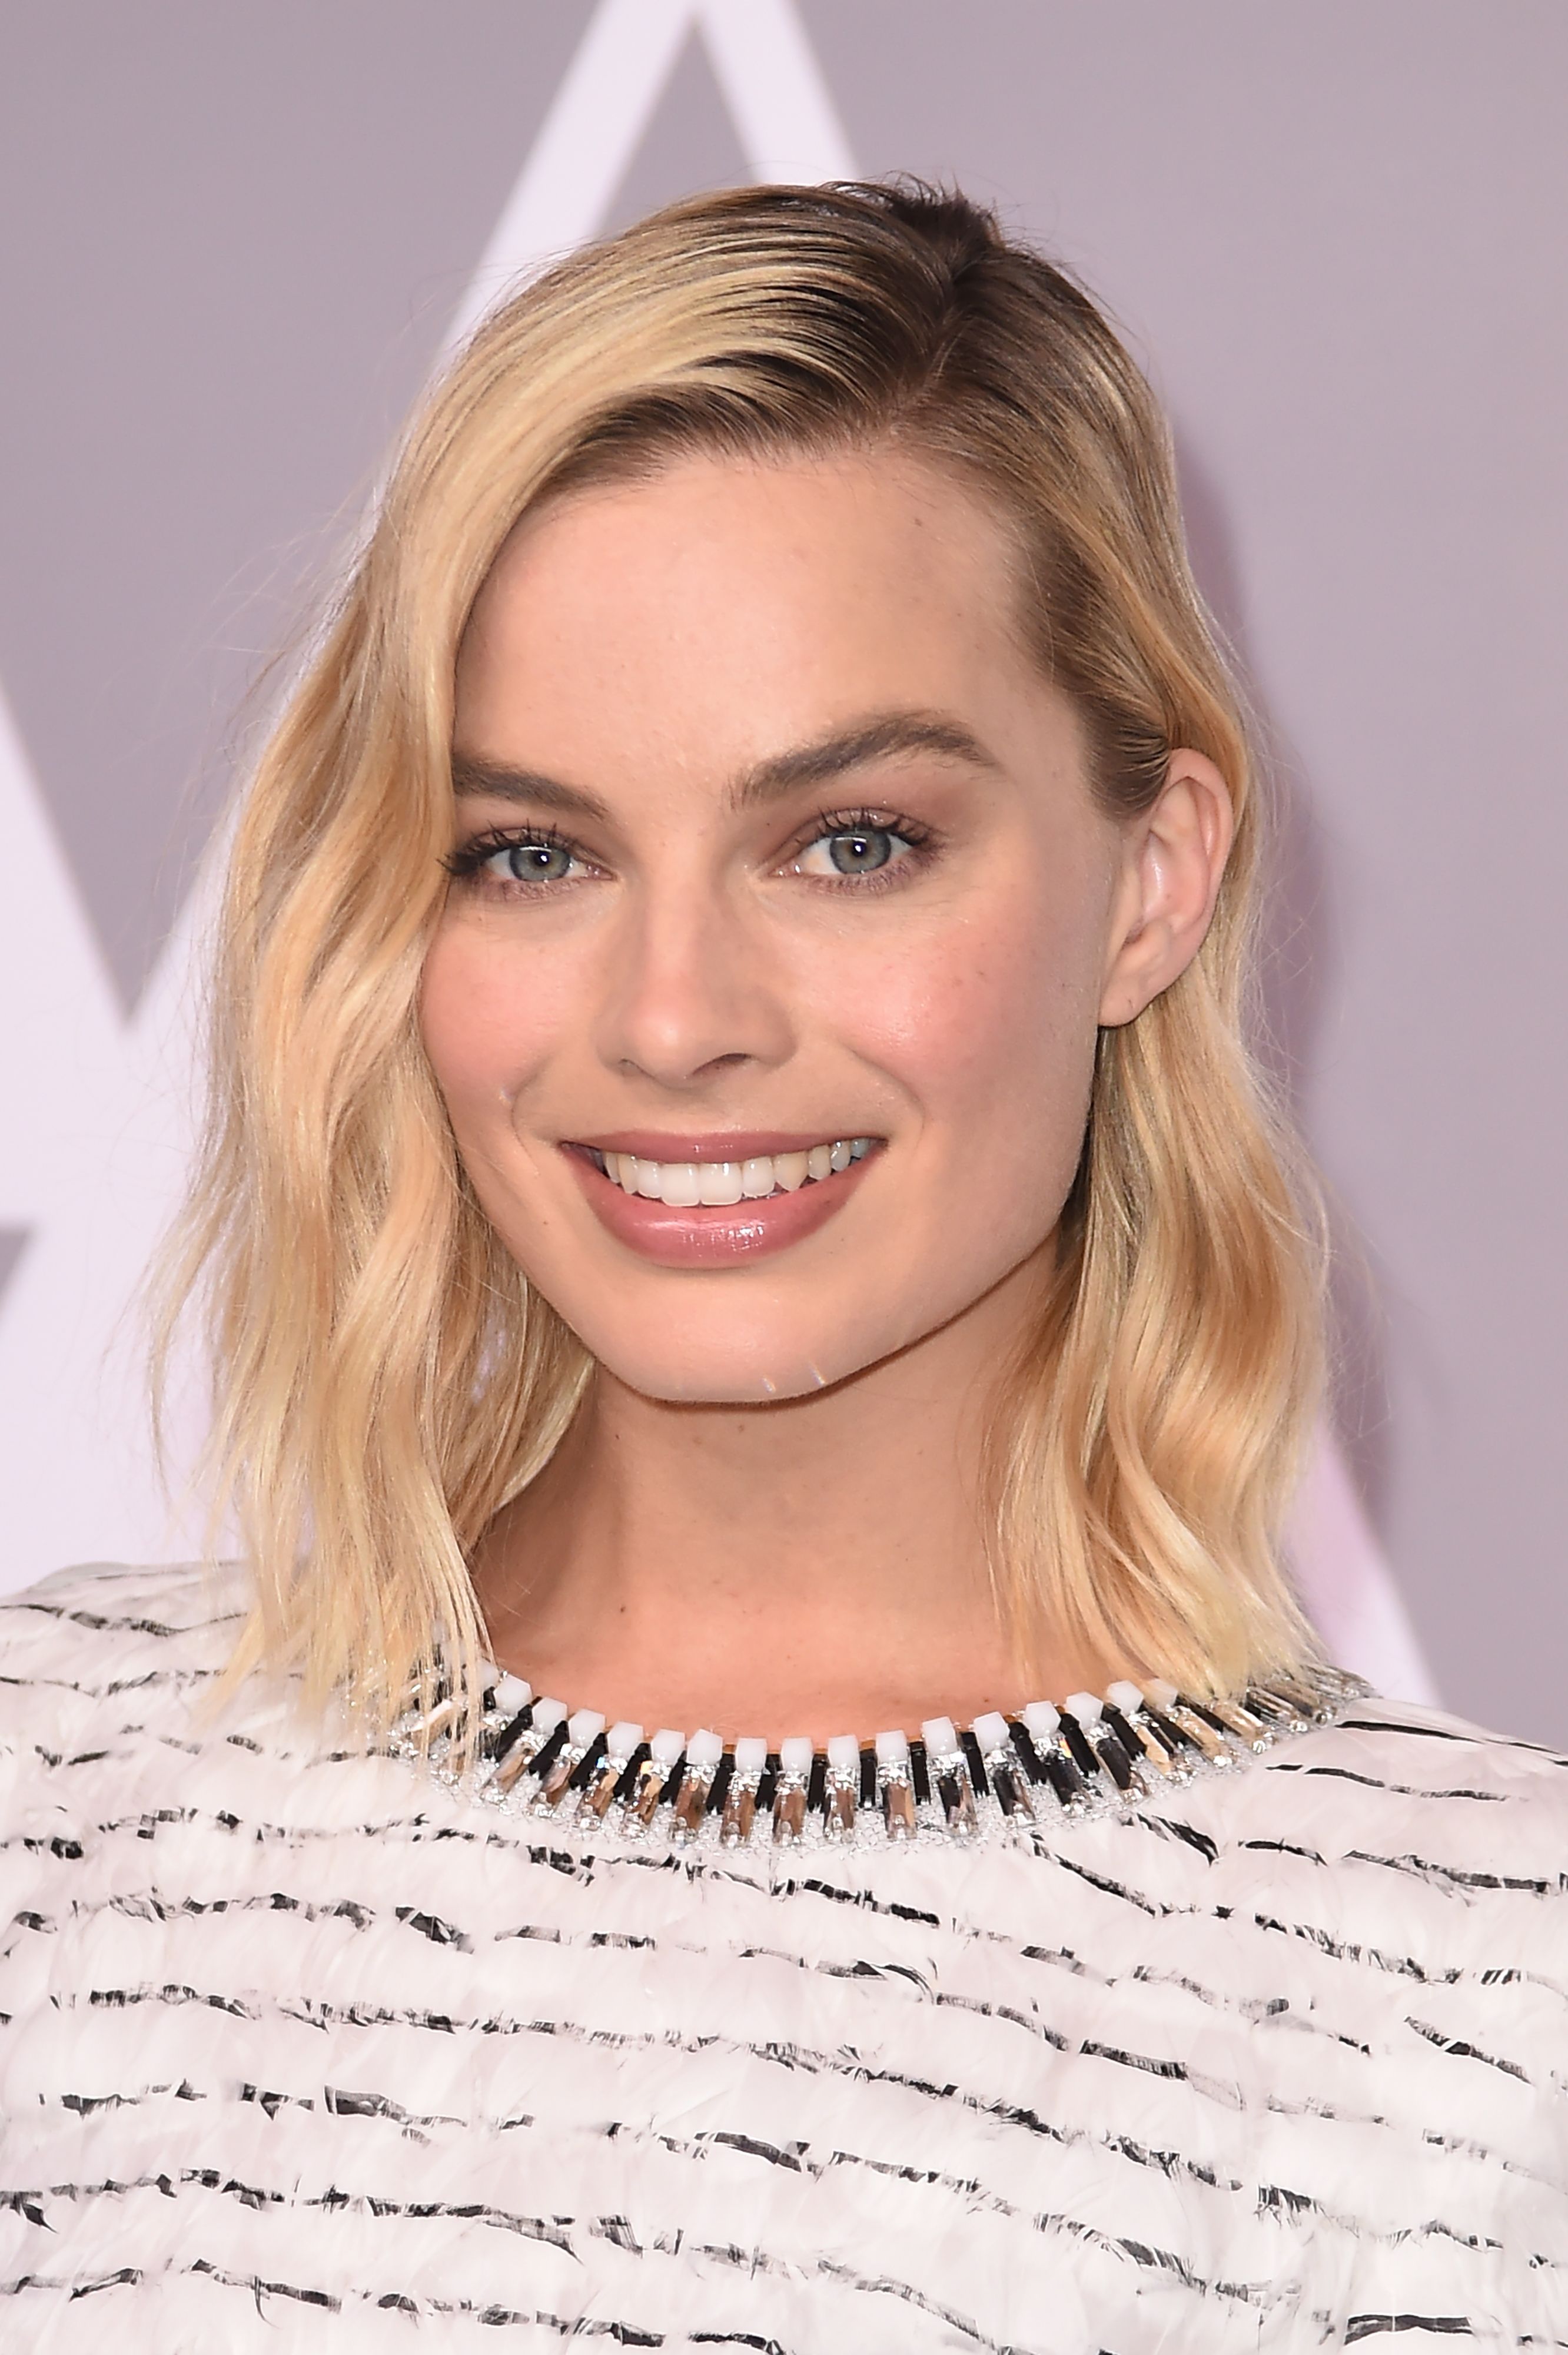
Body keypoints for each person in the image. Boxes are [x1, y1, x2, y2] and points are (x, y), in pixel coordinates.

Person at [0, 180, 1562, 2353]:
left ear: (1150, 884)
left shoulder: (1484, 1993)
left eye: (851, 843)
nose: (672, 1019)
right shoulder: (53, 1802)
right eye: (529, 853)